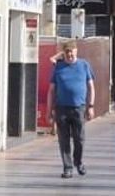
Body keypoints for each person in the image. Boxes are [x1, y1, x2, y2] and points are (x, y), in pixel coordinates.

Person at [46, 40, 95, 179]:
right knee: (64, 140)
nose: (69, 55)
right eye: (67, 52)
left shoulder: (84, 65)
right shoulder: (58, 67)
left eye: (71, 52)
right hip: (62, 109)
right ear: (64, 53)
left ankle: (78, 162)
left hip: (79, 108)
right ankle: (67, 168)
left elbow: (91, 87)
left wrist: (90, 106)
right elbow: (51, 90)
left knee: (80, 139)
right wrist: (49, 112)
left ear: (76, 51)